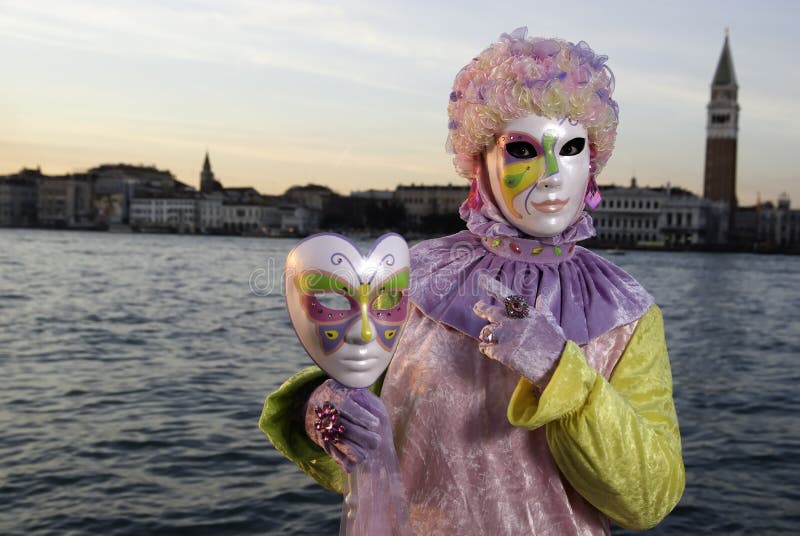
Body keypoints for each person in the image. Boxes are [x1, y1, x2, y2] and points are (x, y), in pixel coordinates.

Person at [260, 27, 685, 534]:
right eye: (523, 150)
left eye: (571, 148)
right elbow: (357, 416)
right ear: (479, 160)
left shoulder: (625, 313)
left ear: (592, 161)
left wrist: (560, 371)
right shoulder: (415, 277)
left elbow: (648, 499)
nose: (551, 174)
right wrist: (327, 414)